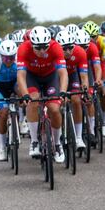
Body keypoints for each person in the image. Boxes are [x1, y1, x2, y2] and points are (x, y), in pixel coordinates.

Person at [17, 26, 68, 163]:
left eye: (44, 47)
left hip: (50, 77)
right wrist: (25, 94)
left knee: (54, 108)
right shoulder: (23, 48)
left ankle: (57, 144)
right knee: (33, 102)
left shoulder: (55, 47)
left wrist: (63, 91)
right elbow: (21, 75)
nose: (41, 51)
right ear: (31, 44)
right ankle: (34, 141)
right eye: (38, 48)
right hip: (32, 77)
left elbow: (63, 73)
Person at [56, 30, 89, 150]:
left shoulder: (80, 52)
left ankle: (79, 137)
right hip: (57, 77)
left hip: (73, 76)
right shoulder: (54, 54)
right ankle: (57, 132)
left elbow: (84, 76)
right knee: (57, 103)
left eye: (70, 48)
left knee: (76, 100)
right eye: (64, 49)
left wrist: (85, 89)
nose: (68, 51)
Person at [0, 40, 18, 161]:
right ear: (1, 56)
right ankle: (2, 148)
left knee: (22, 93)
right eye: (6, 58)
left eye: (11, 58)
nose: (9, 61)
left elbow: (23, 80)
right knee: (4, 113)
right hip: (0, 87)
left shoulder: (18, 61)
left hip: (14, 84)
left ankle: (24, 119)